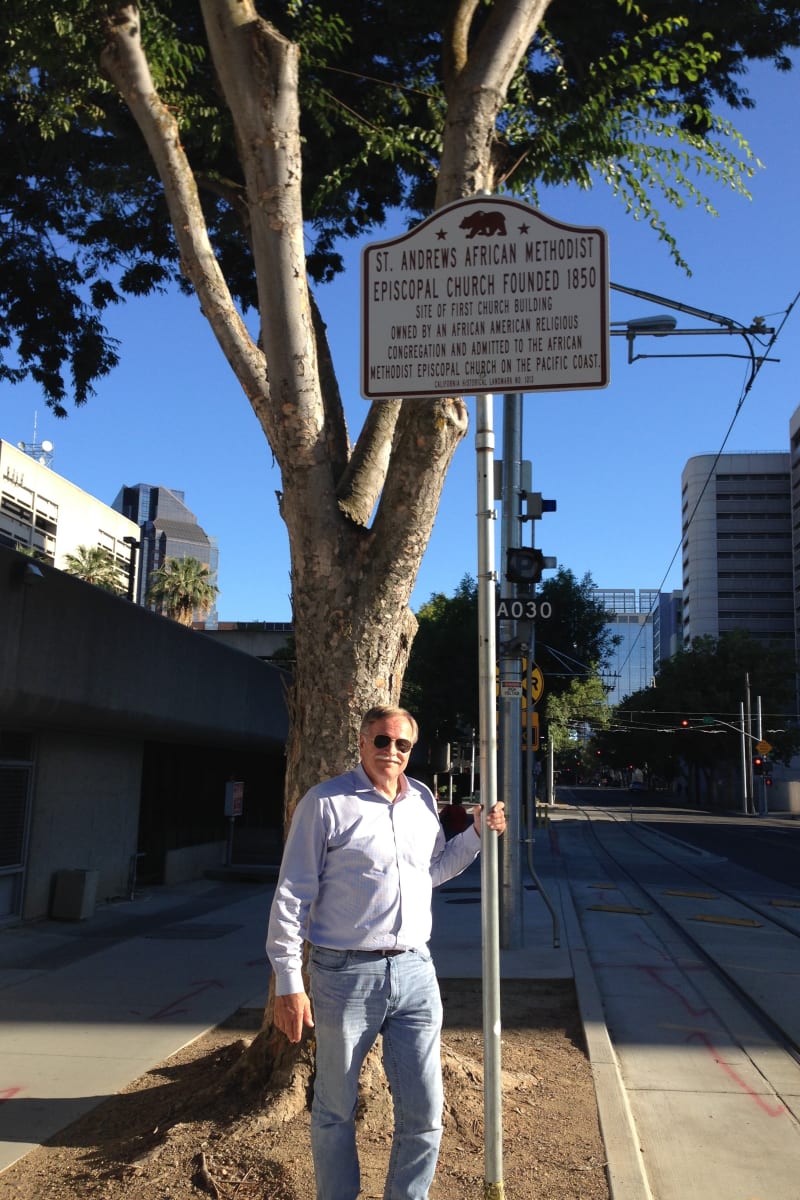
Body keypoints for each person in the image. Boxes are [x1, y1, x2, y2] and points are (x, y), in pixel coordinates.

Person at [266, 704, 506, 1200]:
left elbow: (431, 871)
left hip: (417, 971)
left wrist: (478, 834)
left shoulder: (421, 799)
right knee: (335, 1108)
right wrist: (290, 984)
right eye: (381, 741)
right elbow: (292, 895)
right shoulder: (326, 803)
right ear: (361, 742)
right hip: (343, 974)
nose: (391, 752)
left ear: (411, 751)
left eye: (402, 745)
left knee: (425, 1112)